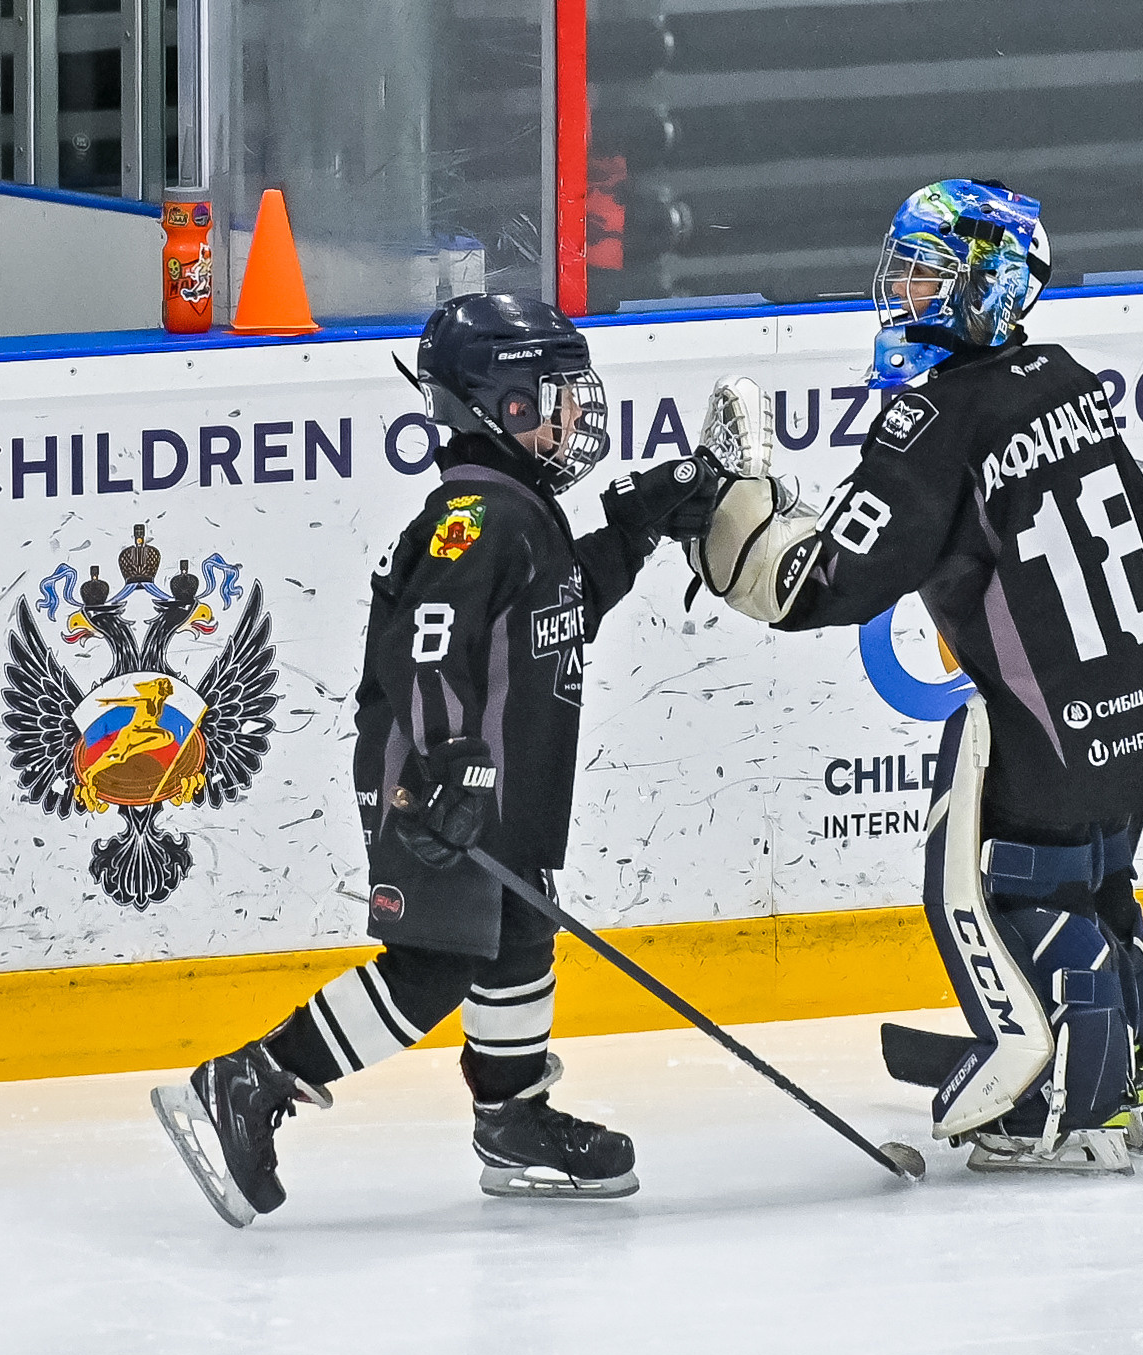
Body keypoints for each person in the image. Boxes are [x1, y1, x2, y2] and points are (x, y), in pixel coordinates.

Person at [683, 179, 1143, 1174]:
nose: (905, 289)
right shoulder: (1063, 379)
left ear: (989, 283)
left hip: (1046, 728)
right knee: (1101, 885)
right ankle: (1132, 1072)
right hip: (1134, 706)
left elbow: (821, 585)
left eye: (927, 270)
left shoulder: (933, 419)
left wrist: (728, 519)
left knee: (1023, 898)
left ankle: (1067, 1112)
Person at [152, 293, 724, 1227]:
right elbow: (426, 647)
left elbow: (565, 606)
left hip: (505, 793)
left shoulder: (524, 513)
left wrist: (644, 520)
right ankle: (253, 1075)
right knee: (431, 965)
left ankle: (514, 1119)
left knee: (519, 943)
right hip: (438, 789)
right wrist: (446, 767)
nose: (575, 416)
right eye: (555, 397)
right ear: (499, 406)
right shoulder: (474, 515)